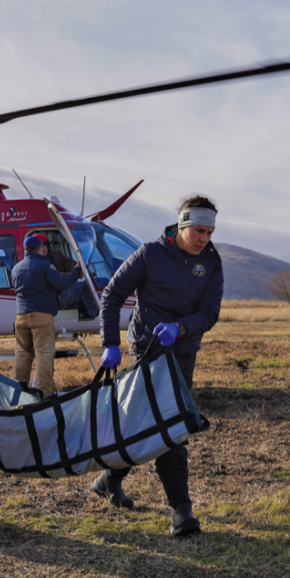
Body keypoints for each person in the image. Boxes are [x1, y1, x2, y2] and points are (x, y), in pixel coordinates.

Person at [96, 195, 223, 538]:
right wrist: (110, 343)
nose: (204, 239)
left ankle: (110, 479)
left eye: (209, 232)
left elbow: (210, 312)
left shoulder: (211, 263)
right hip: (145, 350)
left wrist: (181, 328)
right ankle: (181, 511)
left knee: (160, 423)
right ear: (182, 225)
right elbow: (111, 295)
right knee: (165, 426)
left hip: (181, 353)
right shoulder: (150, 254)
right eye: (199, 231)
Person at [11, 233, 81, 395]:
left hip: (21, 317)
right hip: (42, 316)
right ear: (38, 249)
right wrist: (76, 271)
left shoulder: (16, 268)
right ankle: (45, 393)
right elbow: (62, 283)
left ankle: (17, 393)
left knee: (22, 353)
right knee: (43, 354)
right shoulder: (44, 266)